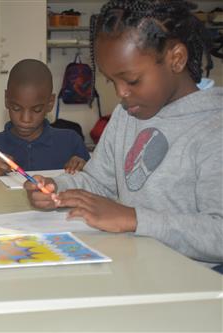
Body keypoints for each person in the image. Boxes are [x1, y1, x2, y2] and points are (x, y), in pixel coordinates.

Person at [24, 0, 222, 266]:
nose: (121, 93)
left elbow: (218, 234)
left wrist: (133, 218)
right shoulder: (126, 113)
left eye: (131, 80)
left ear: (176, 59)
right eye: (111, 81)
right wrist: (57, 189)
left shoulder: (214, 127)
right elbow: (99, 182)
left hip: (193, 286)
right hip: (133, 266)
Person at [0, 59, 90, 177]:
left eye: (36, 110)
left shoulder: (71, 143)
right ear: (6, 99)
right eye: (16, 108)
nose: (25, 119)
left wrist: (84, 170)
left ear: (50, 103)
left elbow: (95, 187)